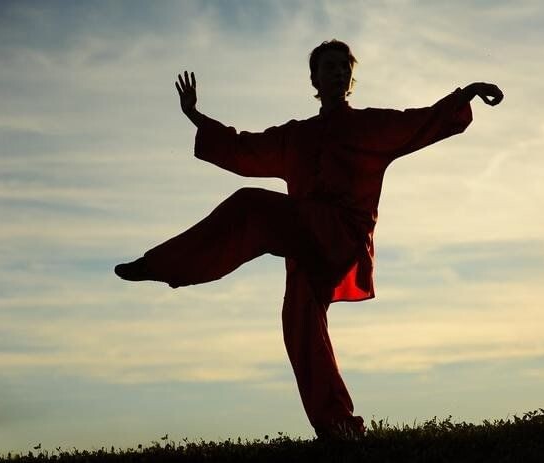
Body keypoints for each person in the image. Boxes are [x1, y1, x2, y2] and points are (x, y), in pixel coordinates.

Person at [115, 39, 503, 440]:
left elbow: (419, 122)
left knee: (250, 206)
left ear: (351, 78)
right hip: (304, 243)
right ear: (314, 79)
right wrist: (195, 116)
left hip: (340, 234)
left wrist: (467, 93)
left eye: (344, 66)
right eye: (329, 66)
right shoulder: (296, 136)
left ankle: (162, 265)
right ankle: (338, 426)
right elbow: (243, 147)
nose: (338, 72)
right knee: (299, 322)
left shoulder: (369, 126)